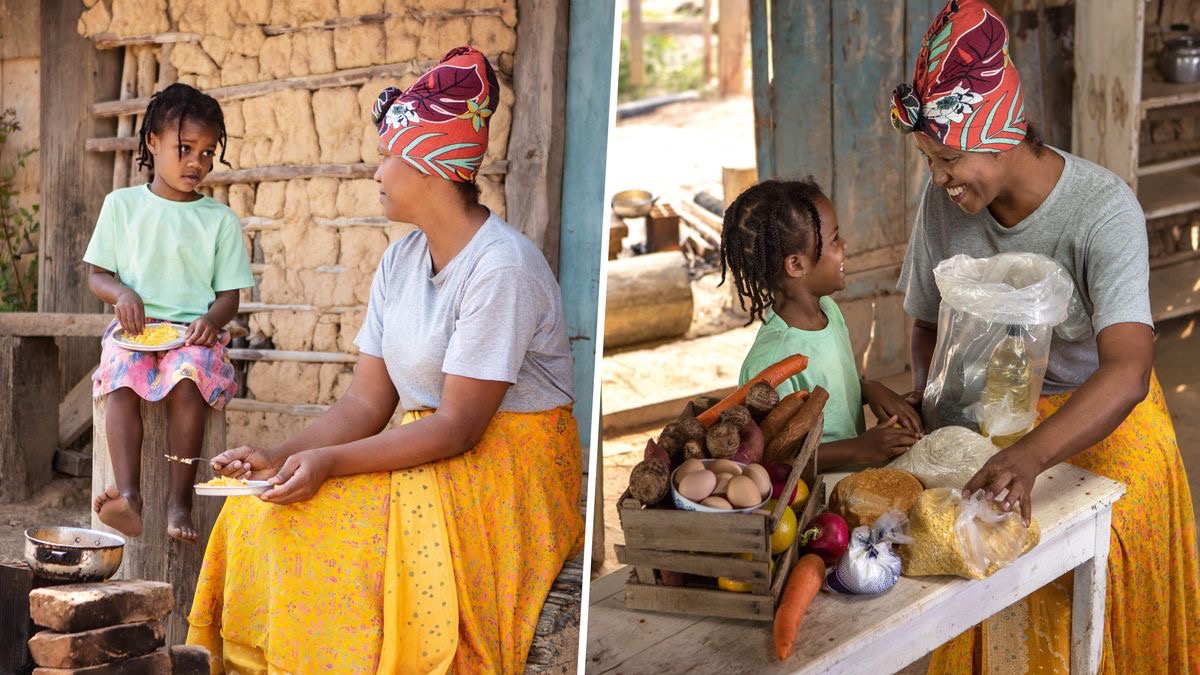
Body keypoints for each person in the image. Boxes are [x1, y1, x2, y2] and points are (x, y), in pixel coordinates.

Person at [186, 46, 584, 674]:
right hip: (430, 446)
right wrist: (284, 456)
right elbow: (366, 402)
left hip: (508, 466)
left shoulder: (501, 268)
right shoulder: (400, 262)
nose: (376, 172)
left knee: (334, 537)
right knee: (252, 511)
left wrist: (331, 464)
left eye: (388, 157)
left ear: (430, 166)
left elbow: (459, 428)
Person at [891, 0, 1200, 671]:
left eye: (947, 159)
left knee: (1086, 562)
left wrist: (1030, 455)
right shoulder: (944, 204)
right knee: (970, 555)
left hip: (1099, 414)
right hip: (989, 417)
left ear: (998, 132)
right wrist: (931, 405)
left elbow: (1127, 373)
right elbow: (922, 320)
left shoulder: (1101, 210)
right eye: (929, 161)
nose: (939, 179)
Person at [84, 83, 253, 543]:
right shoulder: (121, 206)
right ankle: (130, 497)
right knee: (119, 379)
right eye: (184, 149)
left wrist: (212, 321)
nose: (196, 162)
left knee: (186, 380)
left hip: (192, 337)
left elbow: (229, 296)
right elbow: (96, 274)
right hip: (133, 334)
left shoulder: (219, 220)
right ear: (152, 143)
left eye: (206, 152)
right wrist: (121, 293)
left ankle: (180, 503)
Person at [721, 179, 922, 472]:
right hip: (810, 501)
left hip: (851, 479)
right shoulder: (770, 361)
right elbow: (769, 460)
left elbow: (828, 385)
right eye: (834, 239)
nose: (845, 245)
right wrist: (857, 450)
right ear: (796, 265)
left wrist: (869, 389)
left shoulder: (827, 310)